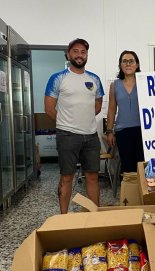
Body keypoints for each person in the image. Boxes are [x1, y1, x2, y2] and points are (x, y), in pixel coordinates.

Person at [45, 38, 104, 214]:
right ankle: (64, 217)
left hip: (91, 136)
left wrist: (83, 119)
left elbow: (98, 104)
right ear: (69, 54)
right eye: (76, 51)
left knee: (93, 176)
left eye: (83, 52)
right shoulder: (58, 78)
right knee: (67, 177)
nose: (79, 55)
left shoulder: (94, 79)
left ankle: (95, 215)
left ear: (87, 55)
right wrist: (68, 122)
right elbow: (49, 108)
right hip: (67, 135)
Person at [105, 50, 144, 174]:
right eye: (124, 61)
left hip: (143, 131)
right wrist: (109, 131)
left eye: (131, 61)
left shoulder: (145, 83)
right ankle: (129, 193)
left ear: (137, 64)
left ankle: (143, 193)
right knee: (127, 167)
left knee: (143, 167)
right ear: (120, 65)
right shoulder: (114, 85)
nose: (128, 64)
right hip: (123, 132)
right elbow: (111, 109)